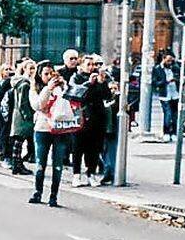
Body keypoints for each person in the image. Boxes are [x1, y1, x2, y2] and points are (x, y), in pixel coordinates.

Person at [30, 61, 69, 208]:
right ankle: (37, 191)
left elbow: (68, 103)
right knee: (41, 162)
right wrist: (48, 89)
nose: (48, 76)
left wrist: (61, 87)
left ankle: (54, 196)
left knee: (57, 163)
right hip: (42, 129)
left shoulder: (61, 88)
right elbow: (38, 105)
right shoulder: (35, 89)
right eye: (45, 74)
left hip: (59, 129)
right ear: (40, 75)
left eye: (50, 73)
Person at [70, 55, 111, 187]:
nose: (92, 67)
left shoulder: (99, 79)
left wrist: (102, 82)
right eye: (88, 64)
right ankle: (76, 175)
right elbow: (76, 94)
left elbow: (107, 96)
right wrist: (89, 83)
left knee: (94, 148)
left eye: (94, 65)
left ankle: (91, 173)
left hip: (97, 118)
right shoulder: (76, 77)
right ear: (81, 66)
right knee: (78, 147)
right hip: (81, 117)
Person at [8, 60, 35, 176]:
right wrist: (28, 115)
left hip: (19, 114)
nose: (33, 71)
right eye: (31, 68)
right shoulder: (25, 84)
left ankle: (17, 164)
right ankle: (17, 164)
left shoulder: (21, 82)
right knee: (19, 141)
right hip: (24, 115)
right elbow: (22, 102)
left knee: (19, 141)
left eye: (34, 68)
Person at [152, 51, 180, 141]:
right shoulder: (157, 69)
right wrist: (165, 82)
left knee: (174, 115)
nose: (170, 63)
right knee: (168, 114)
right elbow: (155, 82)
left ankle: (174, 132)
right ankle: (166, 132)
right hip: (165, 94)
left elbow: (179, 76)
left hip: (175, 94)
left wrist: (176, 79)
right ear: (163, 59)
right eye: (168, 61)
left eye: (171, 61)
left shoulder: (174, 67)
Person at [0, 64, 14, 163]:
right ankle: (2, 151)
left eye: (10, 69)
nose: (8, 71)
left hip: (11, 109)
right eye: (6, 69)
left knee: (9, 131)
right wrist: (6, 83)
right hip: (2, 110)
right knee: (3, 130)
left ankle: (8, 151)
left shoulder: (13, 82)